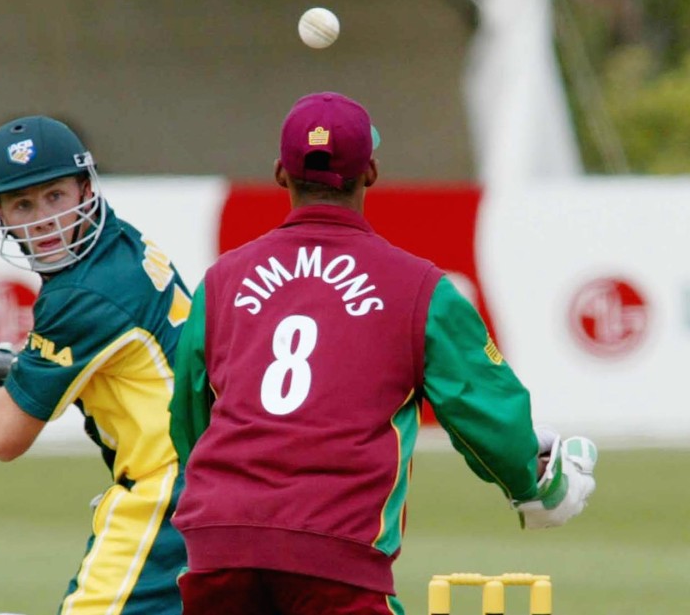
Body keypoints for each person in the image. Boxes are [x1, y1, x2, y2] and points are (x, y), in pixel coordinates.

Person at [167, 92, 598, 615]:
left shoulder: (221, 280)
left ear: (281, 173)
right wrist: (531, 487)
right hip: (335, 550)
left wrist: (222, 498)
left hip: (218, 546)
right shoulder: (418, 287)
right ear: (370, 171)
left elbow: (189, 416)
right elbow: (483, 406)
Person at [0, 115, 191, 614]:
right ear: (0, 213)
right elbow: (101, 365)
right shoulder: (119, 244)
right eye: (22, 204)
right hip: (208, 483)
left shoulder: (81, 293)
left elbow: (4, 434)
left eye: (55, 196)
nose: (43, 220)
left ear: (83, 188)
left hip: (168, 498)